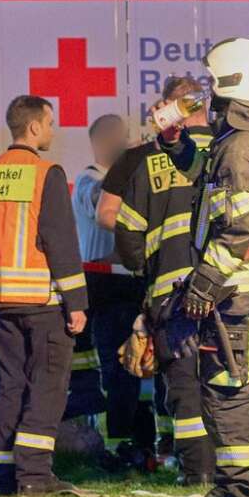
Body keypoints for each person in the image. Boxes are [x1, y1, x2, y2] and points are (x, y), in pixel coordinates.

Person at [173, 38, 249, 497]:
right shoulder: (236, 143)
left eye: (214, 83)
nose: (208, 92)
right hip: (232, 286)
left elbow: (242, 230)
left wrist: (205, 281)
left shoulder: (240, 148)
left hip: (232, 289)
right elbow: (208, 186)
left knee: (228, 390)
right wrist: (176, 146)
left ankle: (237, 494)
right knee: (223, 385)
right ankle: (232, 489)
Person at [0, 95, 89, 496]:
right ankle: (35, 476)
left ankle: (4, 474)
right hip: (42, 301)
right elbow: (61, 242)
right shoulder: (45, 173)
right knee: (48, 387)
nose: (53, 131)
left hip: (0, 302)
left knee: (10, 387)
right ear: (34, 127)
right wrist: (78, 303)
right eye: (50, 123)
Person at [111, 77, 215, 483]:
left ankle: (197, 472)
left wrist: (145, 270)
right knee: (228, 381)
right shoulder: (228, 150)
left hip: (171, 295)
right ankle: (235, 468)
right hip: (228, 289)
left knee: (185, 386)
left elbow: (128, 236)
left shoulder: (151, 164)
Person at [76, 113, 153, 469]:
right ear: (101, 142)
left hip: (131, 282)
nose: (125, 145)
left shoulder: (124, 180)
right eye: (119, 139)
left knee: (140, 365)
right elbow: (107, 214)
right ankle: (118, 443)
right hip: (106, 287)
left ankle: (142, 441)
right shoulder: (90, 180)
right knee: (118, 368)